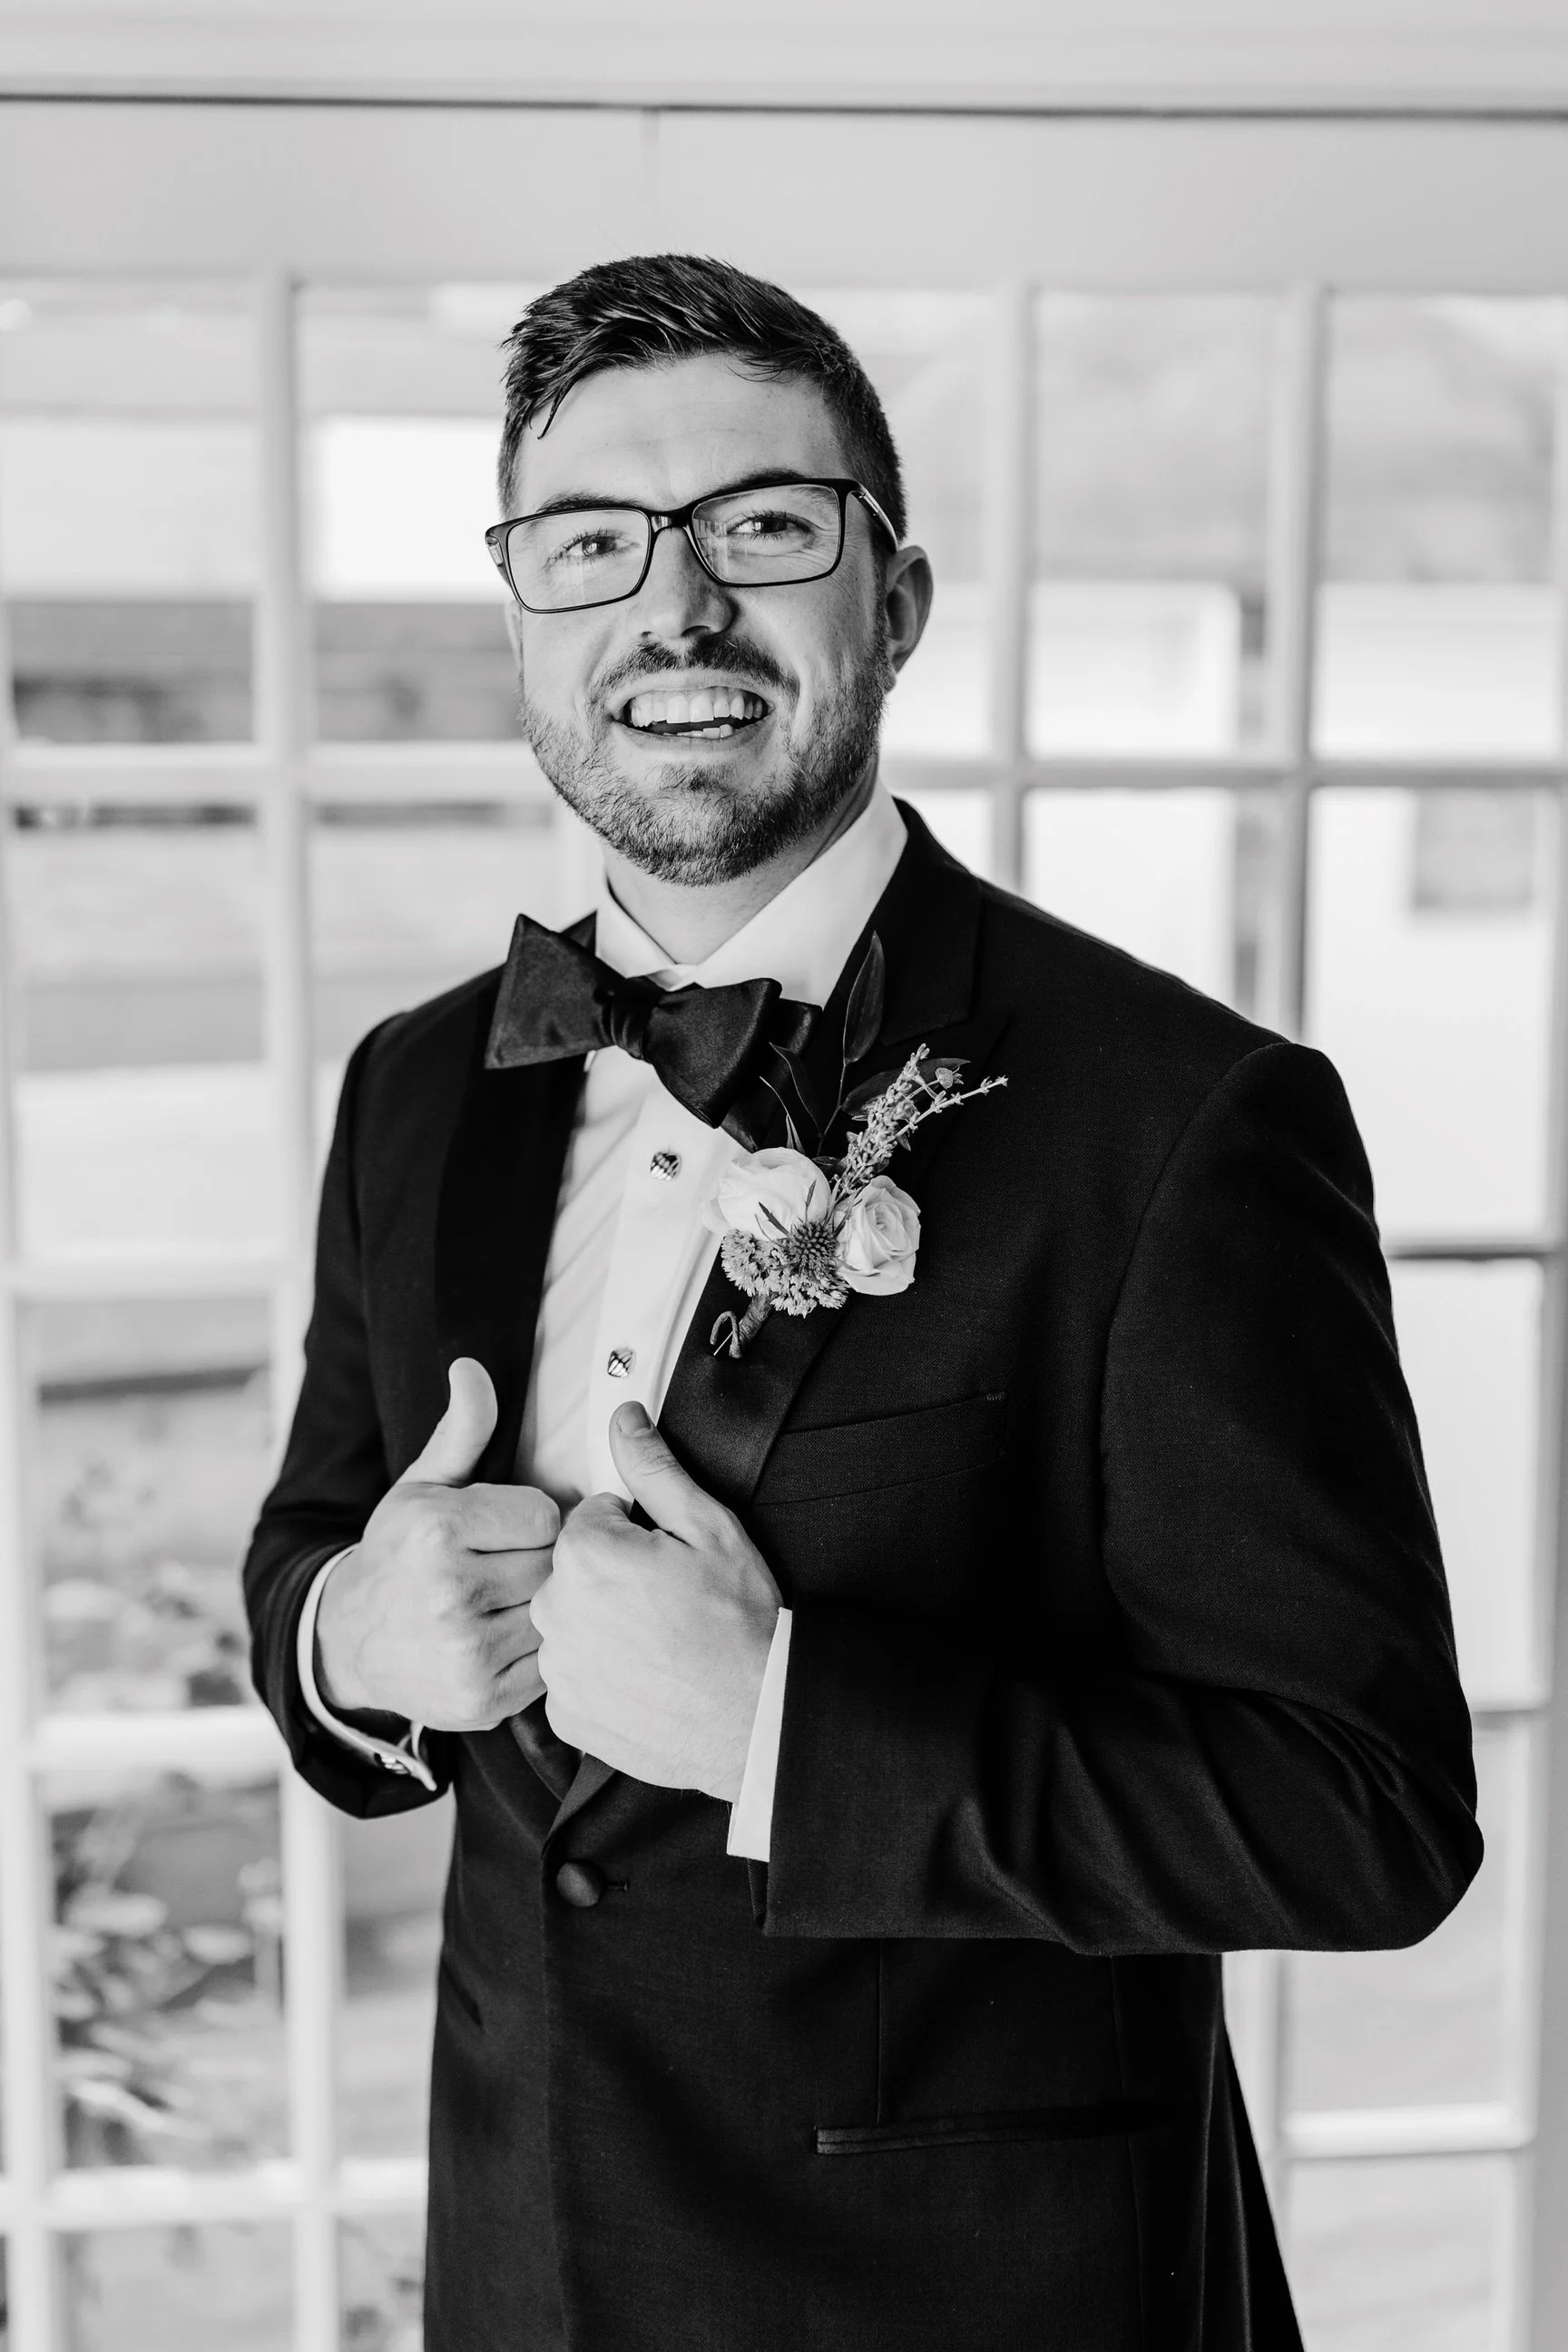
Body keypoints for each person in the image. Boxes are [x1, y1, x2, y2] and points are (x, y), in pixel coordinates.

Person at [244, 253, 1481, 2352]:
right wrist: (348, 1645)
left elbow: (1360, 1817)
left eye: (761, 528)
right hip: (522, 2280)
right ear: (522, 611)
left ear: (893, 602)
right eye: (591, 543)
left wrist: (779, 1729)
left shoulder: (1184, 1122)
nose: (675, 609)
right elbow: (318, 1542)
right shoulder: (418, 1087)